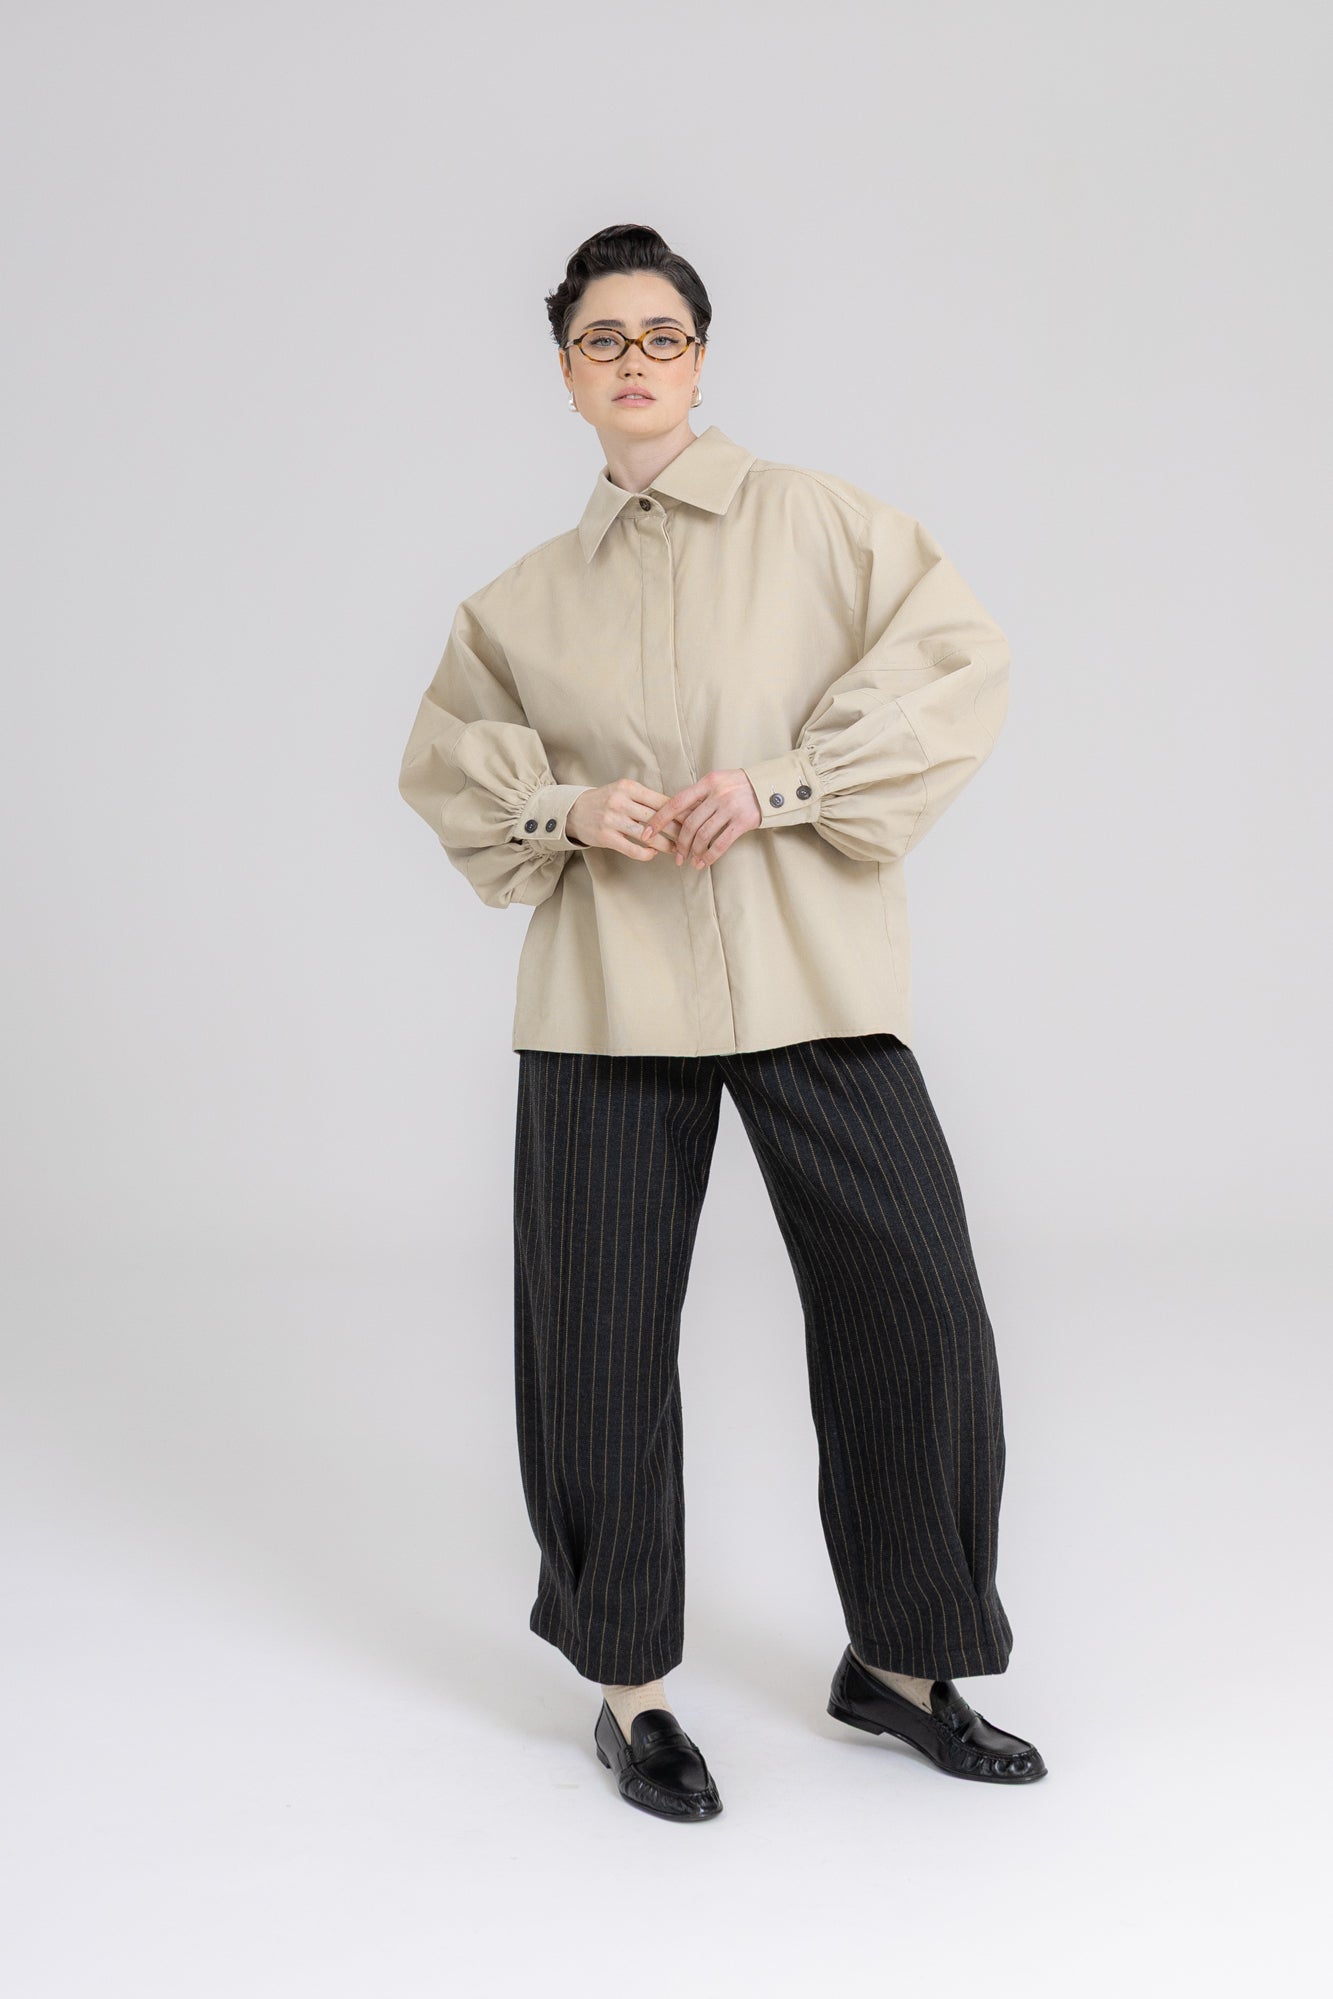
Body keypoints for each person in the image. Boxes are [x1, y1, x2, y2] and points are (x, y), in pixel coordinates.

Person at [397, 223, 1047, 1822]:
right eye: (602, 340)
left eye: (661, 335)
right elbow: (450, 763)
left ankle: (903, 1665)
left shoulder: (823, 524)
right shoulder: (519, 602)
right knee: (598, 1346)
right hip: (604, 1003)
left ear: (700, 356)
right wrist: (565, 808)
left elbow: (955, 665)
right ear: (565, 373)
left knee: (914, 1309)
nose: (634, 362)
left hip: (808, 973)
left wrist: (780, 786)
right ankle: (630, 1694)